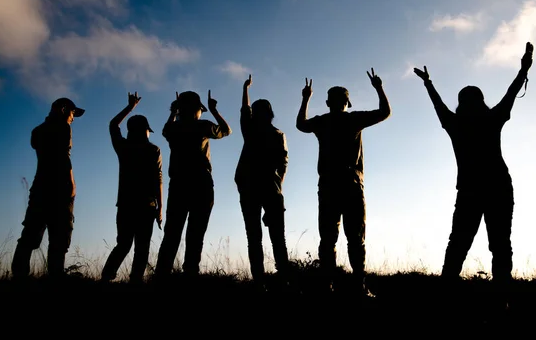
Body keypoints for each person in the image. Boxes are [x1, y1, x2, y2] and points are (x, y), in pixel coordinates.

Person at [413, 42, 534, 294]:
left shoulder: (455, 123)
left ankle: (448, 295)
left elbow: (438, 105)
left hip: (474, 190)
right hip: (497, 188)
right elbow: (511, 93)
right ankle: (500, 299)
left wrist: (428, 83)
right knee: (497, 245)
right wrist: (523, 70)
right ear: (481, 102)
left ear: (462, 103)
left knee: (460, 243)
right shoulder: (491, 118)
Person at [296, 68, 391, 296]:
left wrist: (305, 98)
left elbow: (301, 124)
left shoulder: (322, 122)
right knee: (356, 239)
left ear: (328, 102)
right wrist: (379, 88)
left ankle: (327, 286)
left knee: (328, 239)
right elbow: (385, 112)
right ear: (347, 102)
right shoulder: (353, 119)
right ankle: (359, 285)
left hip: (328, 187)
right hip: (351, 186)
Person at [154, 90, 232, 280]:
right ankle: (190, 273)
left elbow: (166, 129)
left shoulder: (174, 129)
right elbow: (226, 130)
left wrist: (173, 112)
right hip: (201, 184)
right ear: (197, 109)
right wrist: (214, 110)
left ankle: (162, 275)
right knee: (196, 233)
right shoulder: (203, 126)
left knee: (172, 233)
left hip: (179, 185)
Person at [11, 97, 85, 280]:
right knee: (60, 237)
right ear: (62, 109)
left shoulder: (37, 131)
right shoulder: (64, 127)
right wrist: (72, 185)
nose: (73, 118)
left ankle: (19, 276)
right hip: (59, 189)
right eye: (72, 113)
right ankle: (56, 276)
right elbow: (64, 156)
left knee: (30, 235)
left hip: (40, 188)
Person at [100, 92, 163, 284]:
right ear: (145, 130)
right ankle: (135, 281)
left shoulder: (123, 147)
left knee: (124, 244)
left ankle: (106, 277)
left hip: (126, 205)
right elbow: (158, 180)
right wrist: (161, 208)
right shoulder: (153, 150)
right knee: (141, 247)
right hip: (147, 205)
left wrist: (130, 107)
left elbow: (113, 125)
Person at [235, 74, 290, 292]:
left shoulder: (249, 131)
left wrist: (245, 89)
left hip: (250, 189)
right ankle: (283, 280)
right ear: (271, 114)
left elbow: (244, 111)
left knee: (254, 238)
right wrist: (278, 189)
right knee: (278, 238)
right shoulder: (278, 135)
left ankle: (260, 283)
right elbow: (283, 166)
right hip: (270, 190)